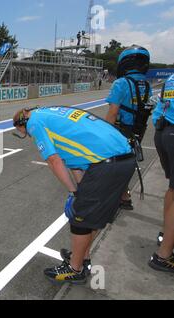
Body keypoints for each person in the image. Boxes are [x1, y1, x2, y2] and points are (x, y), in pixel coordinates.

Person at [13, 106, 135, 284]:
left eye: (25, 133)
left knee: (80, 218)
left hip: (108, 164)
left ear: (22, 124)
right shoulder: (48, 113)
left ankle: (74, 269)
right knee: (88, 215)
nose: (29, 136)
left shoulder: (33, 123)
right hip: (122, 157)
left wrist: (73, 191)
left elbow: (54, 160)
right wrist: (79, 191)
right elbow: (74, 162)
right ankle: (81, 258)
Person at [105, 45, 152, 211]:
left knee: (113, 163)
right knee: (129, 161)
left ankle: (119, 196)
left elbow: (112, 112)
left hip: (120, 129)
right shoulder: (147, 85)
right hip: (139, 130)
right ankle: (125, 195)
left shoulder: (121, 83)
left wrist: (105, 133)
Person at [149, 74, 174, 273]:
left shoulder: (171, 78)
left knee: (172, 189)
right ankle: (165, 254)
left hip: (162, 131)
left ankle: (167, 235)